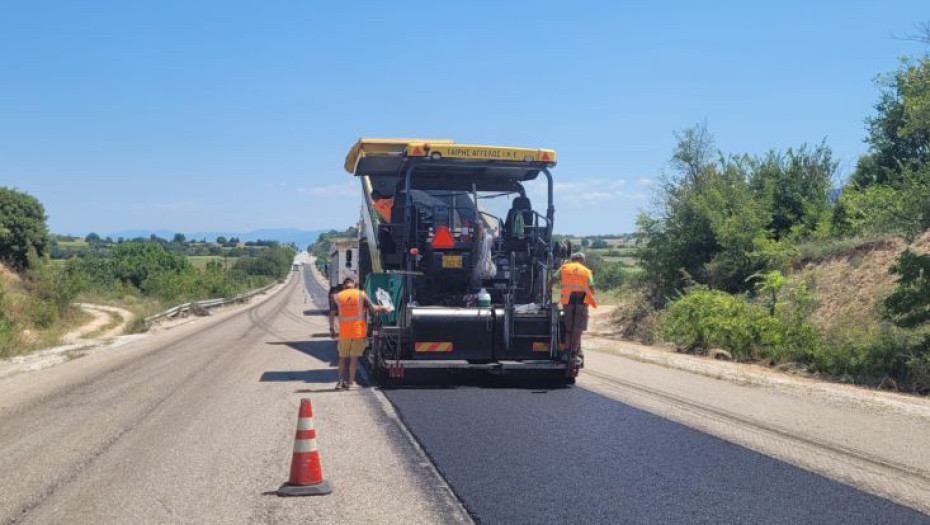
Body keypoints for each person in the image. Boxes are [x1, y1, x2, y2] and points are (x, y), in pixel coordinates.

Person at [329, 277, 390, 389]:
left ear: (343, 286)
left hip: (344, 332)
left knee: (342, 357)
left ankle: (340, 382)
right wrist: (385, 308)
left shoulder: (337, 297)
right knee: (353, 358)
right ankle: (351, 383)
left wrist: (332, 329)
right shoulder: (361, 295)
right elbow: (374, 309)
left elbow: (332, 313)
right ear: (354, 285)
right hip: (358, 332)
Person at [548, 253, 597, 375]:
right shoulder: (586, 271)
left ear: (572, 260)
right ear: (581, 260)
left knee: (569, 329)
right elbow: (592, 289)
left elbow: (551, 282)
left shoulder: (564, 268)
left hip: (567, 303)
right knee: (578, 330)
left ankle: (565, 352)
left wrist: (550, 295)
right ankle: (574, 353)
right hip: (581, 304)